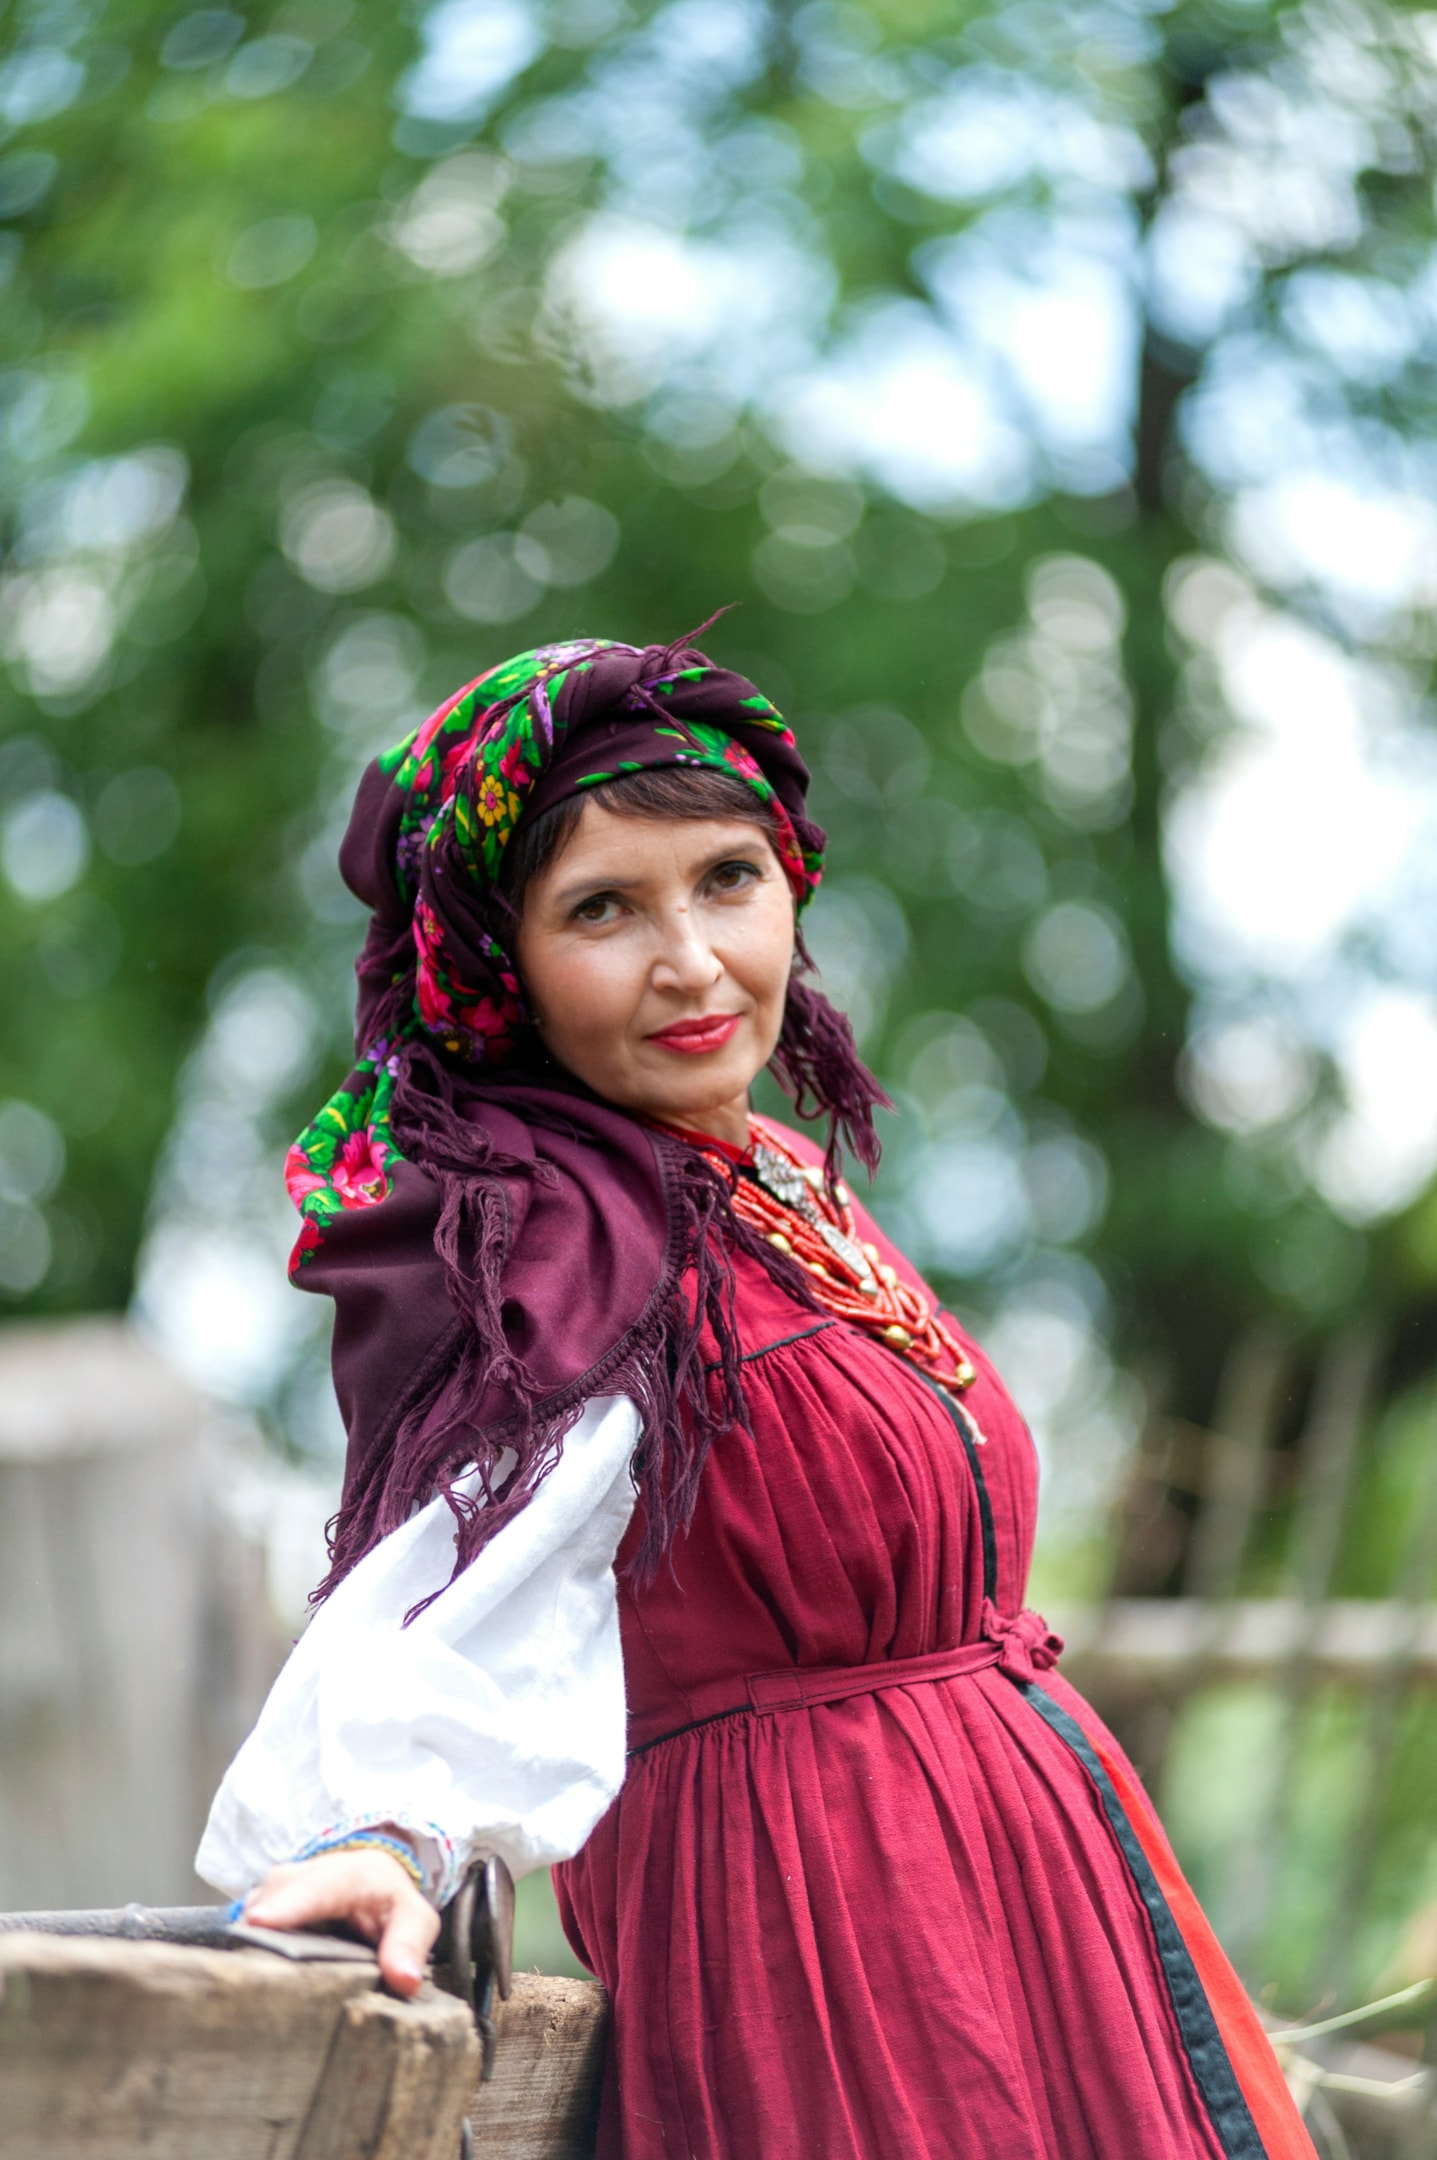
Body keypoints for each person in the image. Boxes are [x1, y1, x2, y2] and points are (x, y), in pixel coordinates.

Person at [199, 630, 1315, 2160]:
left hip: (1023, 1900)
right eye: (602, 908)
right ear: (494, 965)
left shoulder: (776, 1175)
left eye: (727, 878)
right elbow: (463, 1585)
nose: (692, 961)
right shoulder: (557, 1235)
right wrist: (383, 1828)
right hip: (826, 1948)